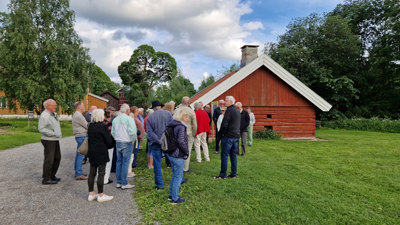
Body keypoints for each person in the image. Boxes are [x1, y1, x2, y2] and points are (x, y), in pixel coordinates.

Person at [87, 109, 114, 202]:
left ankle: (91, 194)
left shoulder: (90, 125)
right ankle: (101, 195)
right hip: (101, 152)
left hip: (92, 151)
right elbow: (109, 142)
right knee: (101, 173)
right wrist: (112, 138)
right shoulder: (103, 126)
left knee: (92, 172)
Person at [165, 109, 190, 204]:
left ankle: (171, 195)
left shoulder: (173, 124)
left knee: (175, 175)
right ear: (181, 116)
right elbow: (181, 141)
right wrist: (187, 151)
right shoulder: (181, 127)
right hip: (178, 154)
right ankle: (175, 198)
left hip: (171, 153)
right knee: (178, 177)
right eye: (186, 116)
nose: (187, 118)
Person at [146, 100, 173, 190]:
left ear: (153, 108)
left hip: (155, 143)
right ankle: (179, 179)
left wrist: (158, 140)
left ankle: (159, 185)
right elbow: (171, 128)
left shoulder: (150, 117)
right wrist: (164, 139)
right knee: (173, 161)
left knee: (157, 164)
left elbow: (150, 133)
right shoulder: (168, 114)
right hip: (167, 142)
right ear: (160, 106)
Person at [214, 96, 240, 179]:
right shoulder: (237, 110)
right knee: (233, 156)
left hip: (228, 136)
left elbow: (224, 124)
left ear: (231, 101)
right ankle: (233, 174)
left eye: (226, 100)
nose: (225, 102)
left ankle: (223, 175)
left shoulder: (229, 110)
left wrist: (220, 134)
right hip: (236, 137)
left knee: (224, 156)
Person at [111, 104, 137, 189]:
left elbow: (113, 132)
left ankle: (119, 182)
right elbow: (133, 132)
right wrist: (133, 141)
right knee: (125, 163)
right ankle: (124, 183)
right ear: (128, 110)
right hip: (127, 142)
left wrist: (117, 138)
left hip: (118, 142)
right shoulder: (129, 119)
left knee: (119, 162)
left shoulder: (115, 119)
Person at [38, 99, 62, 185]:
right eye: (54, 105)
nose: (56, 107)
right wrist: (53, 133)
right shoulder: (44, 115)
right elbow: (41, 129)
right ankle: (46, 178)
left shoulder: (53, 114)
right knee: (49, 159)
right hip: (48, 140)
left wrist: (56, 134)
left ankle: (52, 175)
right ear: (48, 106)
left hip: (54, 139)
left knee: (57, 158)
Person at [174, 96, 197, 173]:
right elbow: (195, 124)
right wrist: (194, 133)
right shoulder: (191, 111)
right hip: (188, 133)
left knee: (178, 149)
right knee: (188, 150)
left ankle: (177, 166)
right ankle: (185, 168)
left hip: (177, 133)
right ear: (189, 103)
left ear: (182, 101)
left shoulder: (177, 110)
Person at [72, 101, 88, 180]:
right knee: (80, 155)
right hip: (81, 136)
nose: (84, 106)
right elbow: (86, 125)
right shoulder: (78, 115)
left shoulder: (77, 114)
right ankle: (78, 174)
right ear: (79, 107)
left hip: (80, 136)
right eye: (83, 105)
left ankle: (78, 172)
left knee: (79, 155)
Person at [128, 106, 145, 177]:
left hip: (137, 138)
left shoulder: (136, 118)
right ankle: (132, 165)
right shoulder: (133, 118)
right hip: (135, 138)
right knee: (134, 151)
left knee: (135, 151)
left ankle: (134, 163)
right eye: (137, 110)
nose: (137, 112)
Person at [103, 110, 114, 185]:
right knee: (108, 163)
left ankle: (100, 177)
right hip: (109, 144)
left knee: (101, 163)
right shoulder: (110, 125)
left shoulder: (100, 124)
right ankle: (105, 179)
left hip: (101, 145)